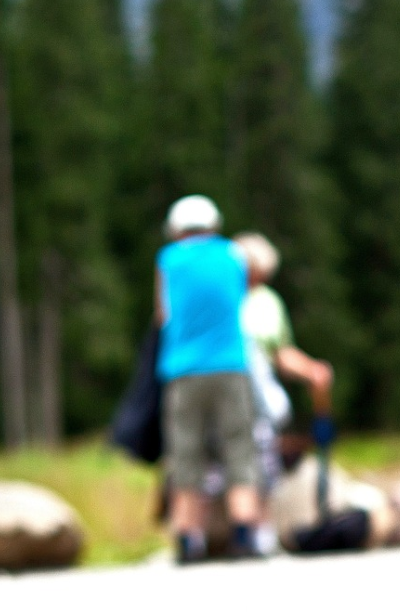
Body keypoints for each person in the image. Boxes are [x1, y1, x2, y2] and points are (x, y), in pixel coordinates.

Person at [154, 194, 261, 564]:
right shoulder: (233, 255)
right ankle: (244, 533)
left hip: (183, 370)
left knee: (186, 453)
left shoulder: (169, 260)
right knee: (239, 447)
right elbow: (241, 298)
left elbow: (163, 314)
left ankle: (187, 539)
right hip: (231, 365)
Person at [233, 231, 334, 445]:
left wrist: (311, 369)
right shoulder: (220, 297)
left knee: (274, 414)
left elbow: (281, 352)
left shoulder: (268, 301)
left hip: (258, 393)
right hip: (226, 381)